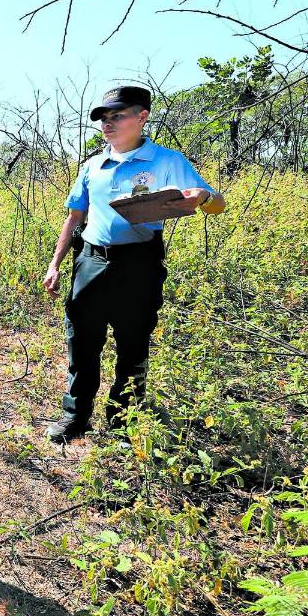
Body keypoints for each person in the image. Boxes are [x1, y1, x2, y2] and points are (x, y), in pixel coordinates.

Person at [43, 86, 225, 443]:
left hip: (139, 263)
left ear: (142, 116)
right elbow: (75, 215)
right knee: (81, 340)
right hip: (91, 261)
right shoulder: (93, 166)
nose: (108, 125)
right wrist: (56, 263)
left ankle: (124, 420)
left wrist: (204, 196)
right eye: (104, 119)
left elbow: (216, 203)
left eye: (117, 116)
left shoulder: (167, 161)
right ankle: (75, 416)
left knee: (132, 342)